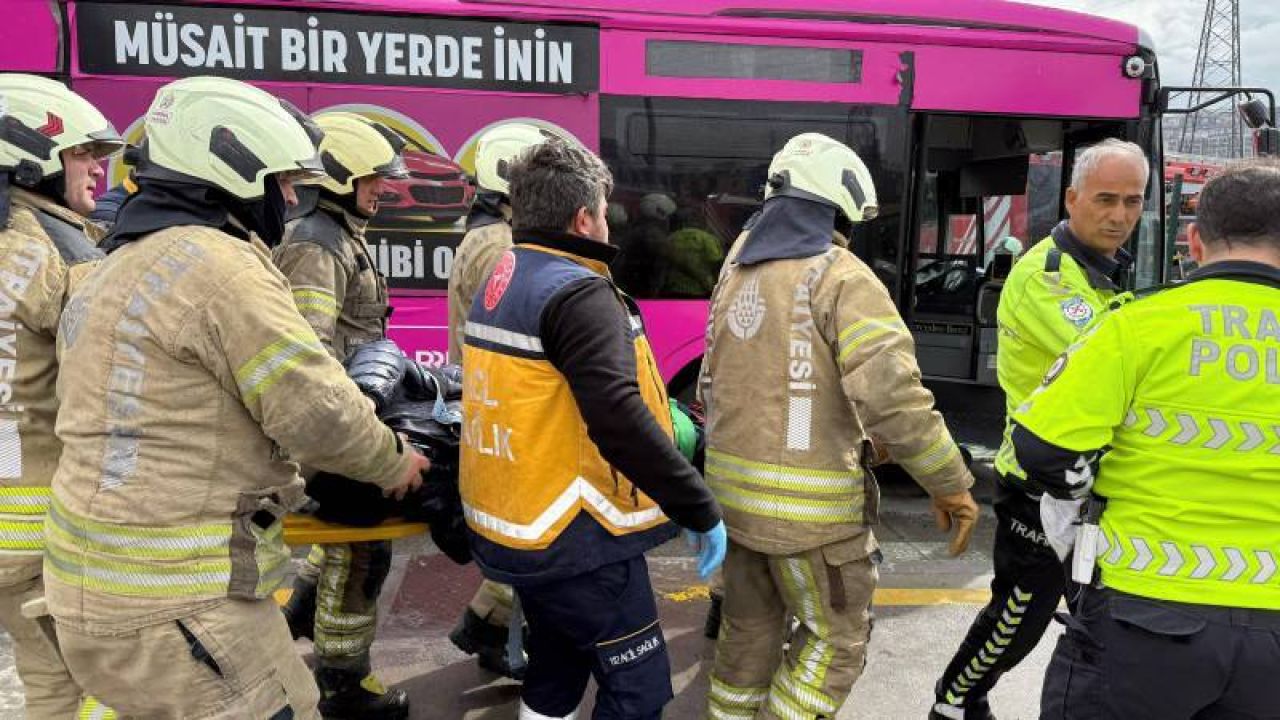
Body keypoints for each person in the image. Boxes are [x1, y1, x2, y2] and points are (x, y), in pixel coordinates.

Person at [44, 75, 428, 718]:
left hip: (87, 593)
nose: (289, 196)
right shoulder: (223, 268)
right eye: (281, 180)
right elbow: (314, 408)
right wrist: (394, 461)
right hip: (184, 605)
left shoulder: (113, 263)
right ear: (233, 172)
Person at [699, 132, 979, 720]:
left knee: (744, 644)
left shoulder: (736, 270)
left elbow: (714, 385)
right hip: (815, 524)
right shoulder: (842, 277)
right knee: (835, 644)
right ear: (838, 208)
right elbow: (895, 398)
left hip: (733, 509)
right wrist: (950, 484)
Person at [459, 139, 725, 720]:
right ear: (583, 218)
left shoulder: (507, 274)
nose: (609, 223)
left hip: (523, 527)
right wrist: (697, 506)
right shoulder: (577, 290)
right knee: (639, 690)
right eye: (604, 211)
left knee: (557, 667)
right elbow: (616, 417)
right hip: (579, 538)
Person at [1014, 159, 1280, 719]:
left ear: (1195, 241)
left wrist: (1086, 495)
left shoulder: (1137, 325)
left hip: (1144, 620)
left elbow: (1042, 446)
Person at [932, 139, 1148, 720]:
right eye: (1106, 199)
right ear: (1072, 199)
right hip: (1039, 482)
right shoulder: (1046, 277)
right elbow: (1113, 361)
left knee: (1089, 616)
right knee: (1018, 617)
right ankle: (954, 704)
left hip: (1090, 483)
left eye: (1132, 201)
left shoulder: (1101, 270)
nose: (1120, 215)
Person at [270, 110, 416, 718]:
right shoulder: (315, 245)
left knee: (341, 548)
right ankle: (343, 683)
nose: (384, 188)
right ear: (338, 177)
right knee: (361, 550)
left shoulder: (338, 232)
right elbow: (313, 356)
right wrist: (348, 443)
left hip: (346, 420)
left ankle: (298, 616)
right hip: (333, 433)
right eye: (374, 178)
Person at [0, 73, 122, 720]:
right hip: (57, 521)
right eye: (82, 154)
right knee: (115, 684)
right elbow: (114, 376)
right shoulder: (57, 253)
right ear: (30, 155)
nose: (96, 172)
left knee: (47, 682)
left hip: (6, 513)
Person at [445, 122, 548, 679]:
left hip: (490, 402)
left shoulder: (481, 238)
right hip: (504, 408)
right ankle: (493, 633)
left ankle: (489, 626)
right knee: (528, 532)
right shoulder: (501, 247)